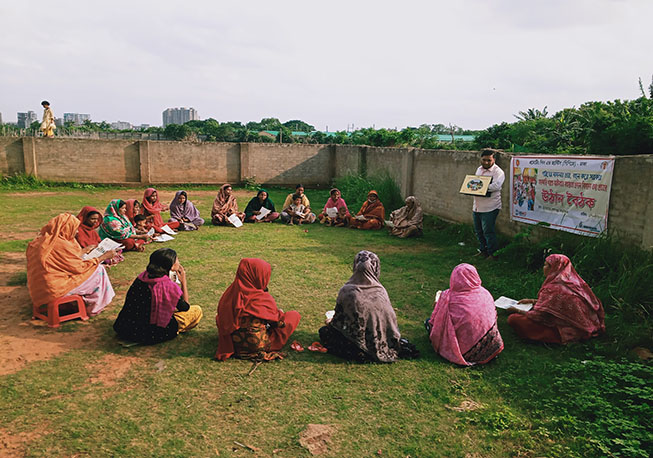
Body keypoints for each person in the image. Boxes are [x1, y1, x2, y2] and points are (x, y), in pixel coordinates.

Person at [319, 251, 418, 363]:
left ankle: (362, 350)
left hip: (355, 343)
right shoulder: (381, 291)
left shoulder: (347, 291)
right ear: (375, 268)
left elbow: (339, 324)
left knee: (325, 332)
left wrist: (330, 322)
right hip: (381, 342)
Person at [26, 213, 116, 317]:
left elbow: (59, 262)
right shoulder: (60, 244)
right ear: (66, 228)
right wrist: (103, 257)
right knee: (99, 271)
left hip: (38, 288)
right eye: (75, 229)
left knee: (94, 268)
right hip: (54, 288)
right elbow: (78, 268)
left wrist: (83, 252)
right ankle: (93, 308)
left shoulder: (41, 241)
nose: (77, 232)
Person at [506, 254, 605, 344]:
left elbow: (538, 316)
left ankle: (555, 338)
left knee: (514, 319)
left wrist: (517, 310)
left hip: (568, 330)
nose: (543, 268)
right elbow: (557, 303)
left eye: (546, 265)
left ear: (554, 267)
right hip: (588, 325)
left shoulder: (553, 289)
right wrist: (532, 301)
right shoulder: (574, 283)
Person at [215, 258, 301, 360]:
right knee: (293, 315)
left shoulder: (230, 294)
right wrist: (279, 315)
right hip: (258, 345)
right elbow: (278, 323)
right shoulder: (261, 298)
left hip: (233, 344)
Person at [113, 248, 203, 345]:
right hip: (151, 333)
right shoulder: (168, 287)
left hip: (124, 327)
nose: (179, 262)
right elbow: (185, 307)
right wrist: (183, 282)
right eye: (177, 259)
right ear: (172, 266)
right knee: (196, 311)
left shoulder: (142, 277)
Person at [426, 264, 504, 366]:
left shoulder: (448, 297)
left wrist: (438, 305)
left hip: (465, 353)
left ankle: (460, 348)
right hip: (492, 346)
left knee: (428, 323)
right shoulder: (485, 293)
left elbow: (435, 321)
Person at [472, 149, 505, 260]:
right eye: (484, 160)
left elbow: (496, 186)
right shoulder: (479, 169)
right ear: (481, 159)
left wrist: (481, 187)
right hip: (477, 206)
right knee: (478, 231)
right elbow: (475, 182)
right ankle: (483, 250)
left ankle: (493, 254)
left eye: (489, 160)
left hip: (490, 207)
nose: (486, 162)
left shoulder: (498, 172)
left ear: (494, 160)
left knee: (488, 231)